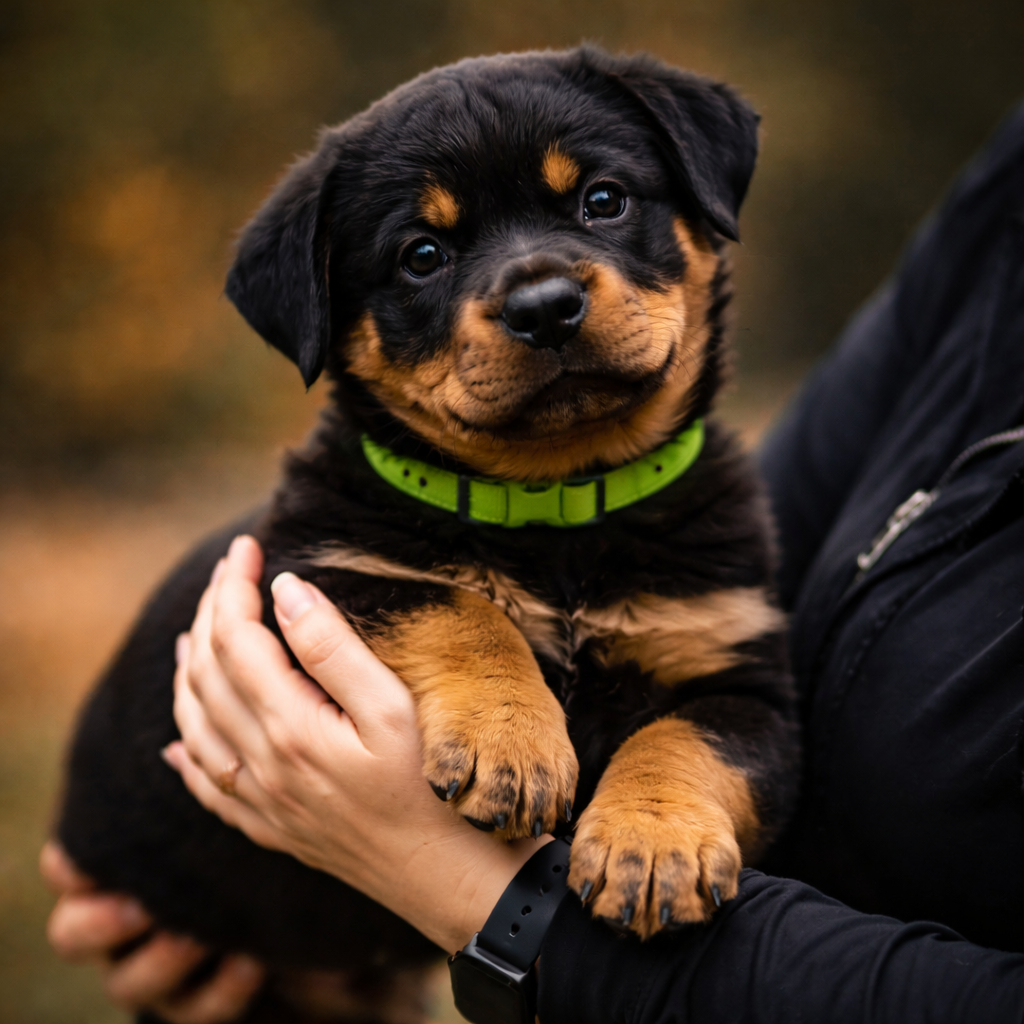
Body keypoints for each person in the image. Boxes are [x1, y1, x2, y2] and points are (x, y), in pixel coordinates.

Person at [43, 102, 1024, 1022]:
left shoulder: (711, 531)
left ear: (701, 211)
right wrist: (474, 666)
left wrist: (662, 799)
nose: (542, 287)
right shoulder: (342, 529)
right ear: (332, 325)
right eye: (421, 256)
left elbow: (740, 709)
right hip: (215, 937)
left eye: (601, 203)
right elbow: (312, 604)